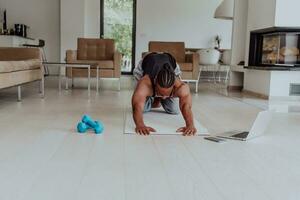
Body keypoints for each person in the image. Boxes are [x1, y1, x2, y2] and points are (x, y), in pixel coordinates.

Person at [132, 52, 197, 136]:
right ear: (155, 83)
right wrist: (140, 125)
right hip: (147, 62)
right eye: (160, 93)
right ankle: (152, 97)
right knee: (143, 109)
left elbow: (186, 106)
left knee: (174, 110)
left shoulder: (181, 86)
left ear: (174, 86)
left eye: (167, 94)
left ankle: (158, 96)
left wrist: (190, 125)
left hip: (170, 62)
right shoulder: (145, 83)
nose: (163, 97)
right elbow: (137, 105)